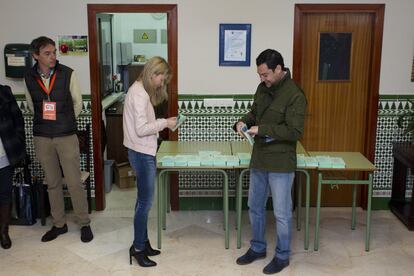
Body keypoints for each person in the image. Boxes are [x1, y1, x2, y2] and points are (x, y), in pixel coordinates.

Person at [234, 49, 307, 274]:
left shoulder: (295, 94)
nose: (262, 79)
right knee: (254, 207)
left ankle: (282, 255)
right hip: (260, 159)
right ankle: (257, 248)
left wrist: (262, 129)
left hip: (281, 163)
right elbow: (254, 113)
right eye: (259, 75)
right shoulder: (262, 89)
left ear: (278, 69)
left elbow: (294, 131)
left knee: (282, 213)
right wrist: (241, 122)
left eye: (265, 74)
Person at [24, 36, 93, 243]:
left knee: (74, 182)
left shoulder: (67, 74)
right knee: (52, 183)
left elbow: (78, 103)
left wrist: (65, 123)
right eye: (47, 53)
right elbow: (30, 104)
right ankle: (59, 224)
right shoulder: (28, 77)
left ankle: (84, 223)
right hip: (42, 137)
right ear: (36, 56)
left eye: (54, 52)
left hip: (66, 135)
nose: (53, 56)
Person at [123, 56, 176, 267]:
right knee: (144, 204)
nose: (162, 83)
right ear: (154, 74)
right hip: (141, 153)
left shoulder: (140, 90)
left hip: (141, 150)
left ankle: (143, 243)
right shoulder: (138, 94)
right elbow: (141, 129)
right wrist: (165, 123)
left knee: (141, 202)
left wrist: (164, 123)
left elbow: (143, 125)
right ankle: (137, 249)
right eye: (162, 78)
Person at [0, 84, 26, 249]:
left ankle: (3, 231)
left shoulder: (4, 92)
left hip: (4, 154)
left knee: (5, 194)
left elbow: (18, 120)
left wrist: (18, 141)